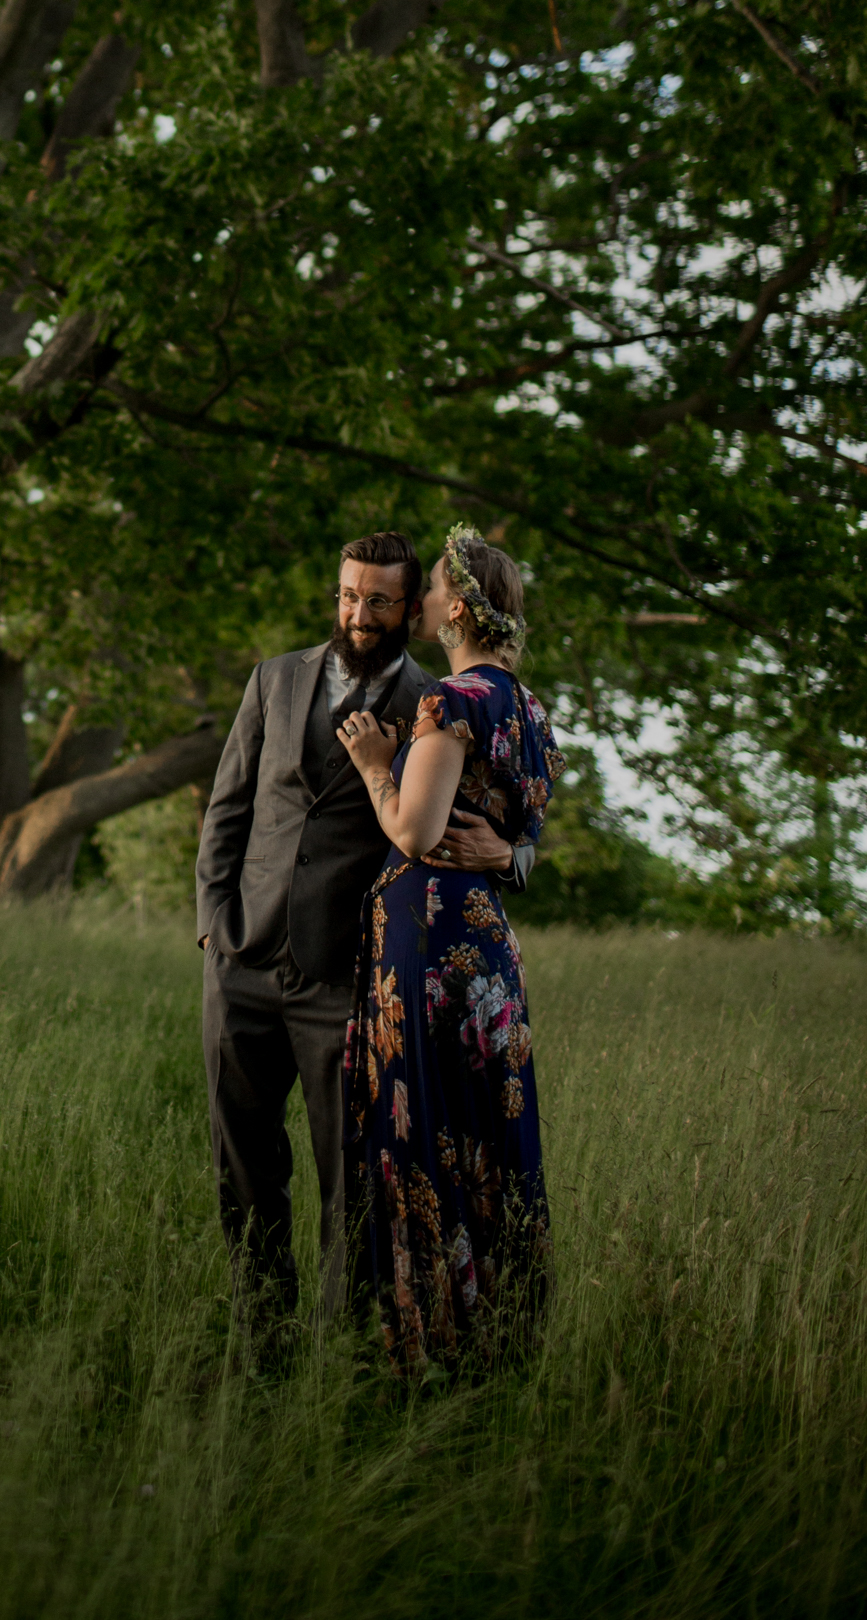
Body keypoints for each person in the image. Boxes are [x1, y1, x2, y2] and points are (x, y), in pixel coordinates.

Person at [195, 530, 534, 1335]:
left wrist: (513, 859)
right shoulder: (274, 680)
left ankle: (336, 1343)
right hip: (240, 958)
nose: (358, 612)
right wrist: (212, 925)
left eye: (378, 600)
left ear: (410, 602)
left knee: (346, 1176)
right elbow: (227, 810)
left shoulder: (437, 700)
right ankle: (260, 1329)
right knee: (240, 1162)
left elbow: (500, 817)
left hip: (347, 972)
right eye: (348, 595)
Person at [339, 525, 562, 1375]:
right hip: (487, 949)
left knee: (424, 1133)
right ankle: (500, 1334)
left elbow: (415, 830)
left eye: (429, 589)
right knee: (487, 1133)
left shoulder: (453, 702)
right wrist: (507, 858)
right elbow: (518, 838)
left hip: (429, 946)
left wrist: (372, 764)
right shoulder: (528, 708)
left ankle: (427, 1346)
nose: (420, 603)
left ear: (457, 609)